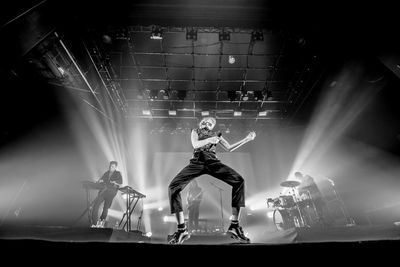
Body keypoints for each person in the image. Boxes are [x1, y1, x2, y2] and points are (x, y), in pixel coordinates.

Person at [168, 117, 256, 244]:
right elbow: (195, 144)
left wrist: (246, 139)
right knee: (173, 187)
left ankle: (235, 226)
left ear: (212, 126)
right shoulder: (195, 131)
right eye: (205, 122)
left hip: (213, 162)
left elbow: (229, 148)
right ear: (201, 123)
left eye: (210, 123)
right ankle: (182, 230)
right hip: (197, 162)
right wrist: (210, 139)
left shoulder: (216, 135)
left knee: (239, 180)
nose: (206, 124)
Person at [91, 161, 122, 228]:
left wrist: (115, 182)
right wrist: (99, 181)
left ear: (115, 167)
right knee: (96, 205)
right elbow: (101, 180)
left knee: (105, 208)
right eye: (110, 166)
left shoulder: (118, 173)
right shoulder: (106, 173)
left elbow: (120, 182)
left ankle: (101, 224)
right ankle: (94, 224)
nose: (111, 167)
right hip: (103, 192)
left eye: (112, 166)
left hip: (110, 193)